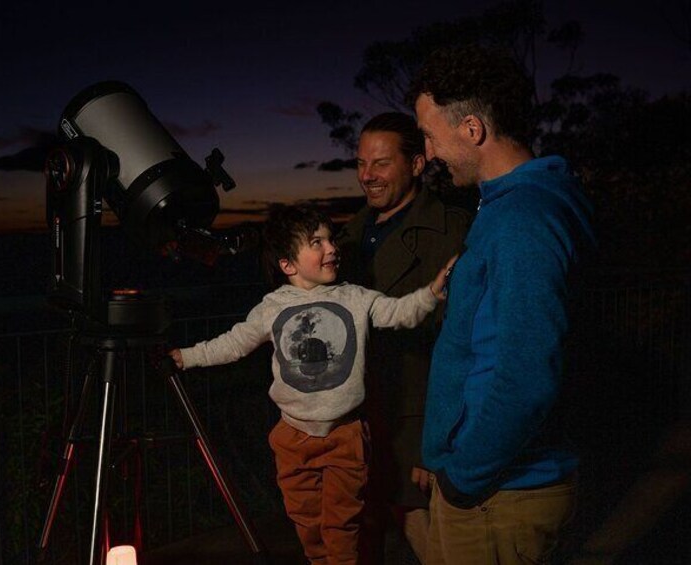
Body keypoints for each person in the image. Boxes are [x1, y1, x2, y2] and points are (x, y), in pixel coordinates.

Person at [169, 204, 454, 565]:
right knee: (308, 525)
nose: (332, 248)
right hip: (293, 437)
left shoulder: (356, 297)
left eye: (330, 239)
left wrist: (431, 291)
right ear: (288, 264)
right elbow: (232, 343)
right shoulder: (273, 307)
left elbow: (400, 312)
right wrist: (186, 356)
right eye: (316, 242)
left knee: (341, 527)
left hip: (344, 435)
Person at [410, 44, 597, 564]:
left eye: (429, 134)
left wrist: (464, 476)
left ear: (472, 129)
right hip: (491, 486)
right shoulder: (518, 205)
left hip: (500, 494)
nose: (426, 153)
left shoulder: (522, 220)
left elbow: (528, 373)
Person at [336, 112, 470, 563]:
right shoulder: (349, 235)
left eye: (380, 164)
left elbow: (462, 343)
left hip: (414, 420)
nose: (367, 176)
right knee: (362, 535)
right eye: (360, 164)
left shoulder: (451, 231)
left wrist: (437, 441)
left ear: (416, 165)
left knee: (430, 539)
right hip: (355, 417)